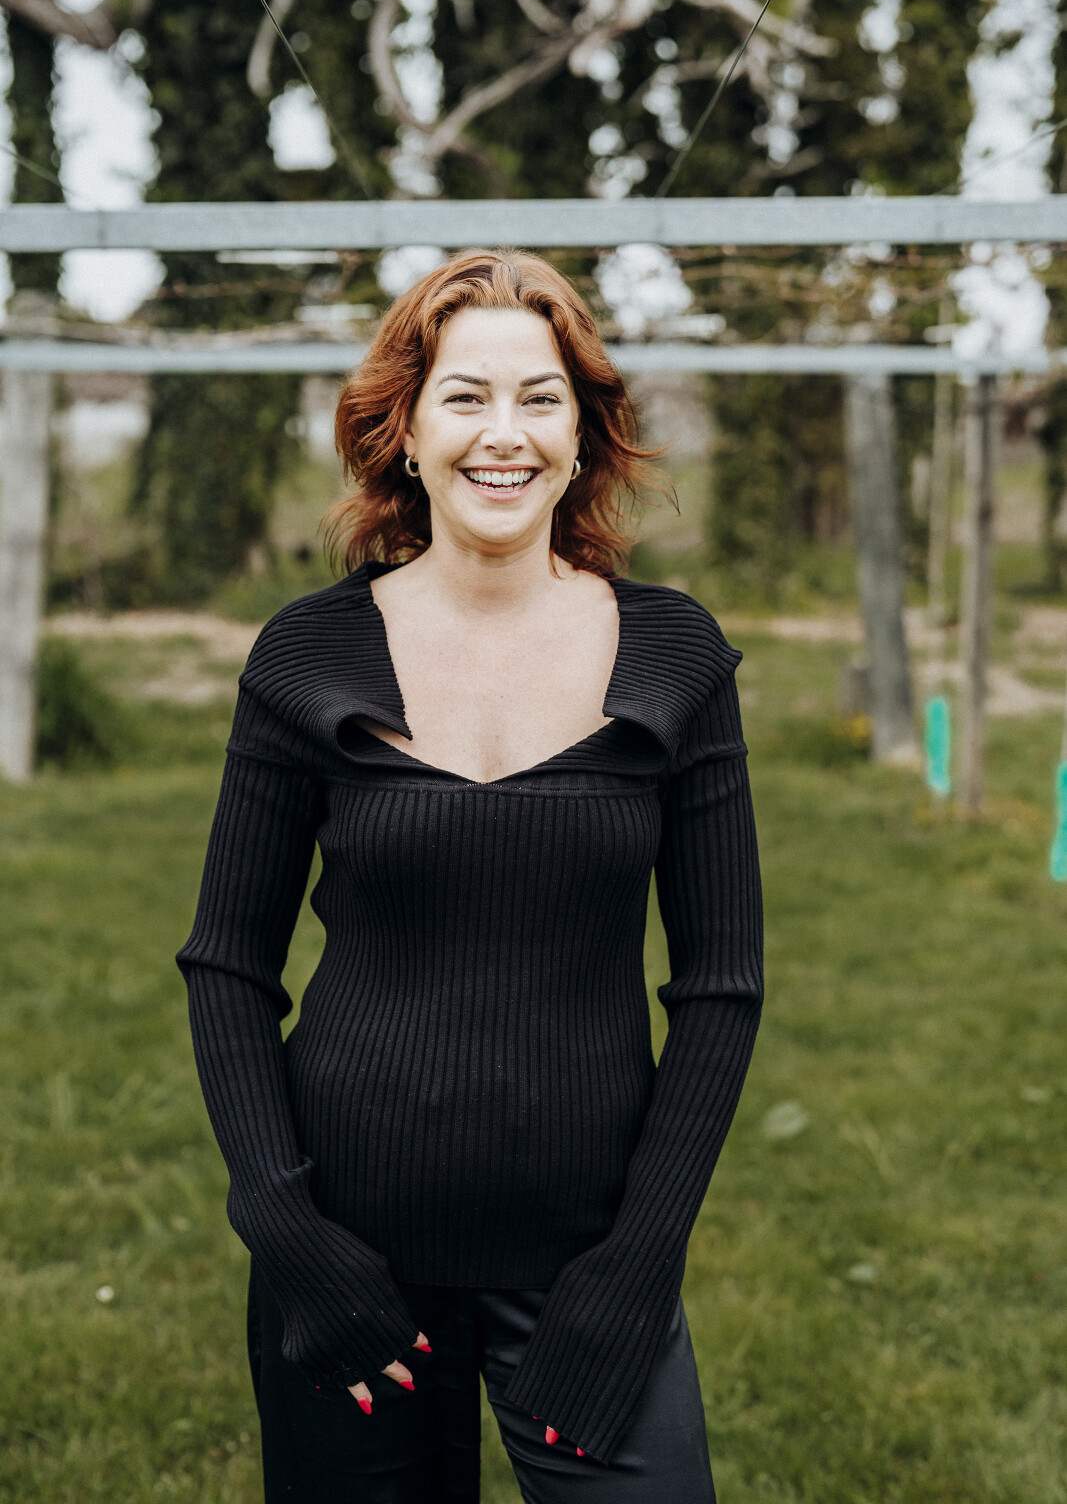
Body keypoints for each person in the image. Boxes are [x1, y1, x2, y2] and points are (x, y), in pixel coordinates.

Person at [177, 250, 763, 1504]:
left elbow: (720, 986)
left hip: (586, 1260)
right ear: (404, 429)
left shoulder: (674, 655)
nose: (504, 434)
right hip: (348, 1258)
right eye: (465, 397)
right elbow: (227, 966)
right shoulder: (306, 653)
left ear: (582, 431)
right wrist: (290, 1237)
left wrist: (637, 1266)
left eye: (540, 398)